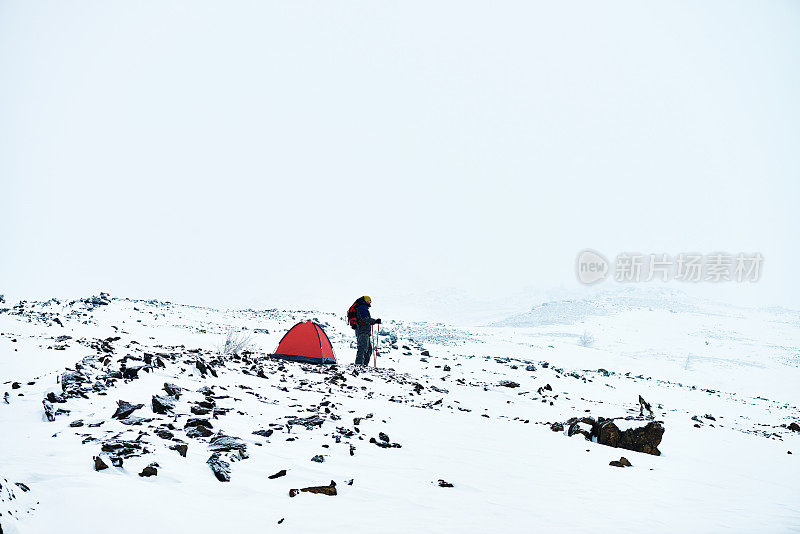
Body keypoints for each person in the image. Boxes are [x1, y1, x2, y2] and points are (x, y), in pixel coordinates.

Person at [351, 295, 381, 366]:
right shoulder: (362, 307)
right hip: (363, 330)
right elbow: (365, 318)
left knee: (368, 350)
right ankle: (359, 365)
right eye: (369, 300)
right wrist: (375, 321)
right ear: (365, 301)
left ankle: (363, 365)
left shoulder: (362, 307)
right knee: (363, 348)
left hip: (363, 331)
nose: (370, 302)